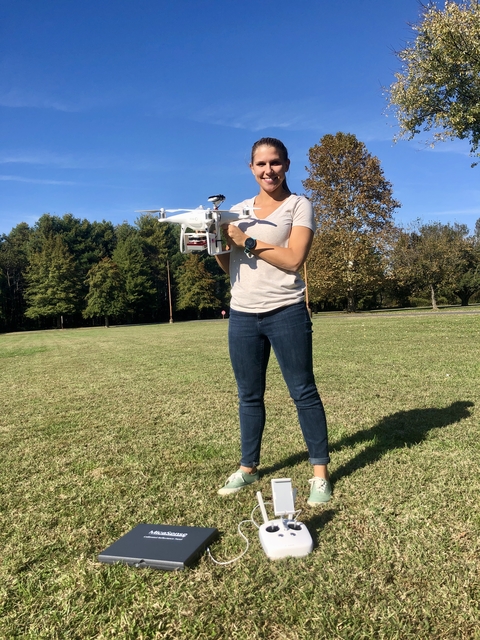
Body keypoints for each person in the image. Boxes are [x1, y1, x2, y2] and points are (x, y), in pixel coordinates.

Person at [215, 137, 331, 505]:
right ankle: (248, 469)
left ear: (287, 164)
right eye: (261, 164)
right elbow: (227, 264)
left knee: (303, 393)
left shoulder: (299, 206)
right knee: (249, 396)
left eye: (276, 163)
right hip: (243, 314)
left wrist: (246, 241)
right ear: (251, 168)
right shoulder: (237, 210)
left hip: (286, 311)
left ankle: (320, 475)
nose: (269, 170)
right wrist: (218, 243)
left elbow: (294, 258)